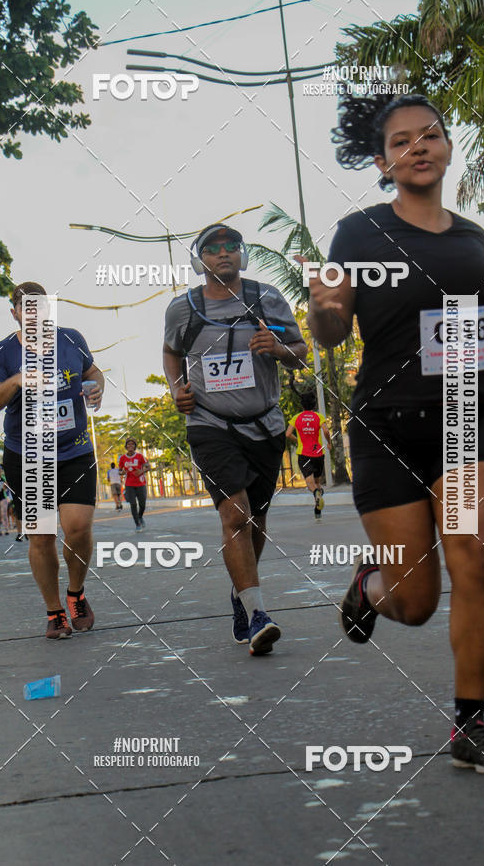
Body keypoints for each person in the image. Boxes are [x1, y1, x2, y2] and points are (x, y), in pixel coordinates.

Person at [307, 93, 484, 772]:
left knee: (476, 560)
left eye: (431, 135)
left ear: (446, 148)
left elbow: (483, 326)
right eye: (403, 140)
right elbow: (331, 326)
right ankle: (369, 587)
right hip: (385, 425)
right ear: (383, 162)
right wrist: (323, 313)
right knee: (414, 603)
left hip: (462, 420)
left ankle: (469, 724)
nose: (419, 146)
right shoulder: (357, 233)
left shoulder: (473, 239)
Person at [163, 223, 307, 654]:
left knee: (256, 521)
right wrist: (176, 388)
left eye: (232, 247)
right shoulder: (182, 309)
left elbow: (299, 349)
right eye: (213, 248)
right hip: (209, 423)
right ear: (199, 259)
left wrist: (278, 348)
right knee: (236, 516)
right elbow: (171, 352)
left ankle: (241, 595)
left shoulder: (266, 299)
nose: (223, 253)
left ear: (241, 256)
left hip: (265, 425)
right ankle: (258, 612)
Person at [0, 281, 104, 639]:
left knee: (78, 528)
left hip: (75, 449)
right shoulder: (3, 353)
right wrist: (16, 380)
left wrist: (97, 388)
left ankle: (76, 593)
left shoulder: (71, 339)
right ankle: (54, 612)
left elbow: (93, 373)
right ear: (15, 312)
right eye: (27, 309)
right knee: (42, 536)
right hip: (28, 456)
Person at [286, 390, 331, 518]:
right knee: (317, 481)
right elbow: (326, 431)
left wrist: (298, 440)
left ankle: (316, 493)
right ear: (314, 404)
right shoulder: (318, 417)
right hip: (318, 454)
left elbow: (288, 434)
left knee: (310, 483)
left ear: (302, 405)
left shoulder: (296, 417)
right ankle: (318, 510)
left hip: (304, 454)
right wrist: (329, 443)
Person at [118, 440, 150, 531]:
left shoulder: (140, 456)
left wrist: (142, 471)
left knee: (142, 504)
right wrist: (122, 472)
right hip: (129, 484)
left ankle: (140, 517)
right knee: (133, 504)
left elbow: (148, 466)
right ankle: (137, 524)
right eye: (129, 444)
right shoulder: (123, 458)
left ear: (135, 446)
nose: (130, 445)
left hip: (141, 483)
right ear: (126, 446)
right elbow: (119, 471)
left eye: (132, 444)